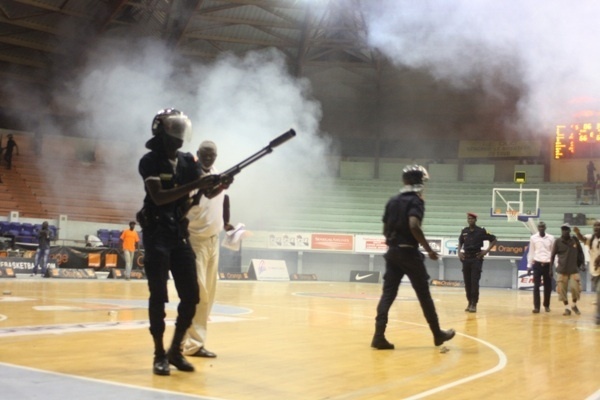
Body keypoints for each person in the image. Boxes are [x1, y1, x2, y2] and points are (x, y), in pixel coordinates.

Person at [137, 108, 231, 376]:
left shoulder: (188, 162)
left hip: (179, 234)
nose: (180, 138)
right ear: (161, 133)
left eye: (182, 133)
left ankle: (175, 350)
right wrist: (198, 185)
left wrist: (220, 184)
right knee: (158, 296)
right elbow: (159, 197)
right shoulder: (150, 162)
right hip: (157, 234)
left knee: (192, 295)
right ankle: (158, 354)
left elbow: (205, 191)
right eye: (174, 132)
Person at [371, 165, 455, 350]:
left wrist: (393, 244)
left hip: (392, 253)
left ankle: (378, 336)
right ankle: (437, 335)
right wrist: (429, 250)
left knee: (387, 295)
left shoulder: (392, 201)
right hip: (409, 253)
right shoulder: (416, 201)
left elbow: (385, 230)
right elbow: (414, 225)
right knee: (424, 296)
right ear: (419, 181)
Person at [182, 141, 235, 358]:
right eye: (204, 154)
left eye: (212, 154)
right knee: (198, 294)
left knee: (209, 295)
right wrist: (221, 185)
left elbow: (223, 199)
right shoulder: (192, 176)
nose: (208, 158)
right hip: (196, 241)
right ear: (197, 154)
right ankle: (190, 344)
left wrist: (225, 223)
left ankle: (192, 341)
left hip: (213, 241)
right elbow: (206, 193)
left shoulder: (216, 173)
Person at [458, 212, 497, 313]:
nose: (470, 220)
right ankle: (469, 302)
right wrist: (459, 252)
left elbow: (493, 239)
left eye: (472, 219)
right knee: (467, 283)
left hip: (476, 259)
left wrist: (485, 251)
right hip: (466, 259)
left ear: (475, 220)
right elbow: (460, 242)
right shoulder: (464, 231)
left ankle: (474, 304)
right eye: (468, 219)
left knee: (474, 282)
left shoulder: (481, 231)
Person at [550, 223, 585, 316]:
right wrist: (550, 269)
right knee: (561, 291)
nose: (564, 231)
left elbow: (581, 252)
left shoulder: (574, 240)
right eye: (563, 229)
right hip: (562, 270)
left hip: (573, 269)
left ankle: (574, 305)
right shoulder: (557, 242)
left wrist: (583, 264)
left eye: (566, 229)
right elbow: (552, 255)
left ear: (569, 231)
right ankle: (567, 308)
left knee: (576, 288)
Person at [573, 222, 600, 325]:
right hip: (594, 271)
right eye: (595, 226)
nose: (596, 227)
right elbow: (583, 239)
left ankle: (598, 316)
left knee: (599, 291)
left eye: (599, 226)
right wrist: (578, 233)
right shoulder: (591, 238)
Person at [527, 221, 555, 313]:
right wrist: (529, 265)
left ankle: (546, 305)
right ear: (538, 228)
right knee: (536, 286)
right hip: (537, 264)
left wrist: (555, 265)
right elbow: (531, 252)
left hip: (547, 265)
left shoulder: (551, 238)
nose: (541, 228)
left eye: (543, 227)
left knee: (548, 287)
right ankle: (536, 307)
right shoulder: (533, 238)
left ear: (545, 227)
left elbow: (553, 253)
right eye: (540, 227)